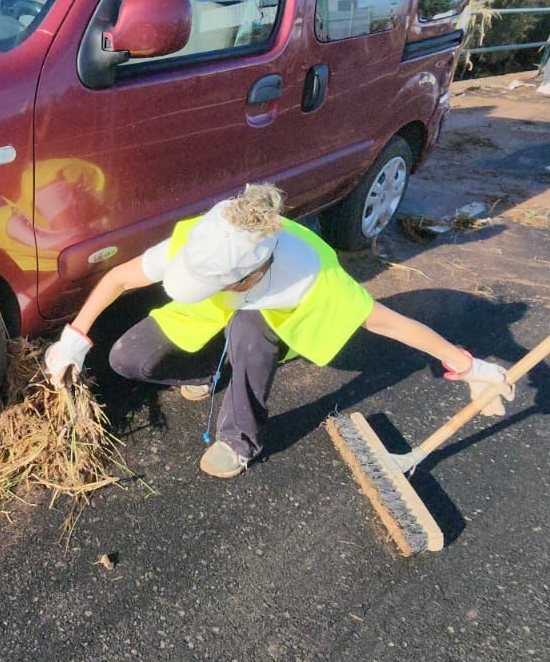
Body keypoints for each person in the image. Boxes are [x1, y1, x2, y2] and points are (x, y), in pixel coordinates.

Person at [42, 185, 513, 479]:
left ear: (249, 277)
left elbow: (390, 324)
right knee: (129, 357)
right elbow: (120, 278)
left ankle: (239, 438)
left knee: (252, 329)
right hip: (217, 312)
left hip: (268, 319)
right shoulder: (205, 243)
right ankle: (206, 372)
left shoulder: (311, 275)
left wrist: (467, 364)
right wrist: (75, 339)